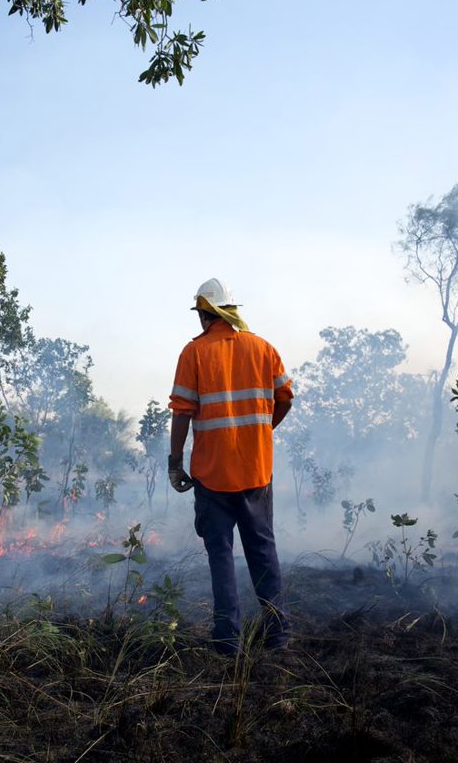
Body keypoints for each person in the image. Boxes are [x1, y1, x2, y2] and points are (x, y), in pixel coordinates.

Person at [167, 278, 294, 654]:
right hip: (256, 472)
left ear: (206, 314)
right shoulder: (263, 348)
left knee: (220, 554)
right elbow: (285, 398)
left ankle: (227, 640)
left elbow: (181, 414)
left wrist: (175, 463)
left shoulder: (194, 353)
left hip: (212, 476)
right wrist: (261, 431)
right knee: (262, 550)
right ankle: (277, 633)